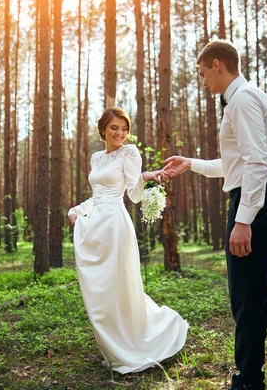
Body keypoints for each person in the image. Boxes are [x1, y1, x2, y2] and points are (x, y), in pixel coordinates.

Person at [161, 40, 267, 390]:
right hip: (258, 198)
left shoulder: (242, 100)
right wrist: (190, 164)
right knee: (257, 293)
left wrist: (243, 221)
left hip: (256, 203)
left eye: (202, 75)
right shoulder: (242, 99)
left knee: (245, 297)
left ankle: (249, 381)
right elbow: (235, 165)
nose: (203, 83)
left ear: (216, 64)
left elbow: (257, 163)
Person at [68, 107, 188, 374]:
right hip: (95, 224)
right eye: (114, 128)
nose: (120, 133)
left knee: (119, 286)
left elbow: (132, 192)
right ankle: (112, 348)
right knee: (99, 289)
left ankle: (134, 345)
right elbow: (97, 195)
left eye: (124, 128)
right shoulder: (96, 157)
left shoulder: (130, 152)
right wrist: (77, 210)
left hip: (115, 224)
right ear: (103, 130)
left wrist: (148, 177)